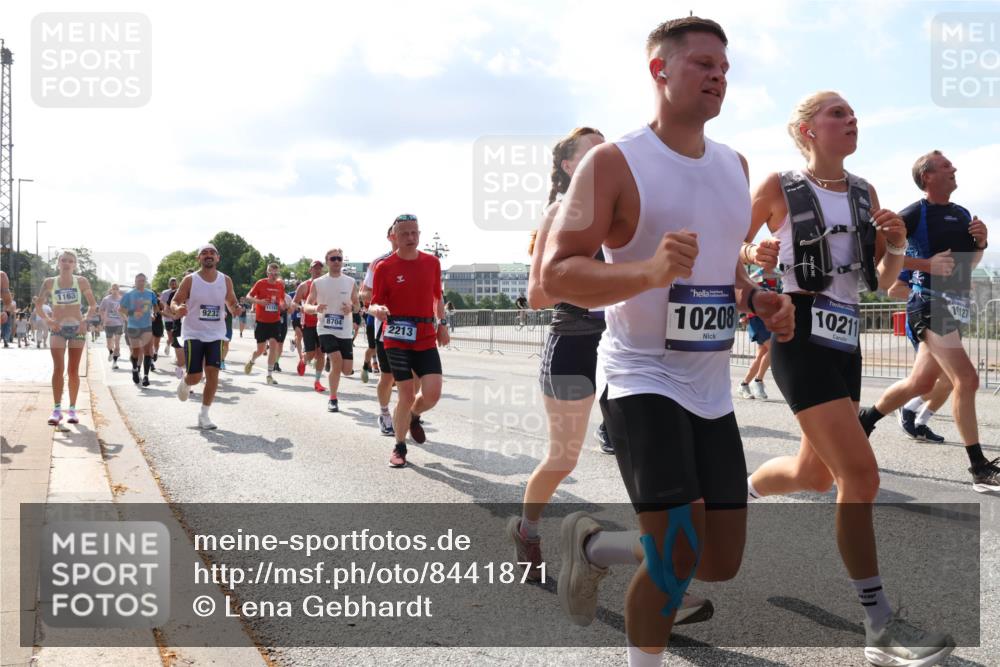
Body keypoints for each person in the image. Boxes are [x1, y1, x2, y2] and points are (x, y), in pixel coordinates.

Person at [539, 17, 797, 666]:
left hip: (709, 387)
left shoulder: (735, 164)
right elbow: (553, 274)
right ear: (660, 70)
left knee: (720, 558)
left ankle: (594, 545)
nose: (718, 76)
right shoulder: (615, 162)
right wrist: (646, 271)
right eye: (703, 64)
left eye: (725, 69)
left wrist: (756, 295)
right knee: (678, 551)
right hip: (639, 376)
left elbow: (724, 267)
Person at [744, 92, 955, 665]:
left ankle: (737, 497)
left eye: (854, 113)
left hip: (845, 337)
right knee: (860, 476)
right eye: (837, 113)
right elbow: (730, 251)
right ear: (807, 129)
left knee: (813, 474)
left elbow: (883, 281)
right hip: (796, 331)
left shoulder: (866, 194)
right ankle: (880, 626)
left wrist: (896, 246)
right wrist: (754, 252)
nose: (851, 119)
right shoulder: (777, 187)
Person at [858, 151, 995, 493]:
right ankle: (979, 467)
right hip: (930, 304)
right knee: (967, 378)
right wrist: (926, 266)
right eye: (947, 166)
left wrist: (981, 242)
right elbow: (879, 255)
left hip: (955, 305)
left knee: (921, 382)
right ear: (928, 176)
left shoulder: (961, 213)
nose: (954, 169)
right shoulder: (914, 213)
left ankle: (866, 420)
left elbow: (968, 263)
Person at [369, 214, 449, 467]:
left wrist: (443, 324)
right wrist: (378, 310)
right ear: (394, 236)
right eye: (405, 233)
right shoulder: (384, 267)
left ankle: (414, 415)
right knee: (405, 393)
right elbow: (372, 303)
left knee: (433, 394)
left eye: (415, 232)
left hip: (425, 337)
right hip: (396, 337)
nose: (411, 238)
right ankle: (399, 447)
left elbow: (437, 297)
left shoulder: (432, 263)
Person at [171, 244, 242, 429]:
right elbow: (175, 300)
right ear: (199, 258)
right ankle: (186, 382)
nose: (208, 256)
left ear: (218, 258)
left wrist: (235, 308)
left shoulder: (225, 280)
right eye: (204, 253)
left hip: (216, 334)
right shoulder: (190, 280)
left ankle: (204, 415)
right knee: (195, 376)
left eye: (212, 253)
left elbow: (231, 301)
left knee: (213, 374)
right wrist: (177, 308)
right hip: (193, 333)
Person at [35, 250, 98, 424]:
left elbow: (93, 305)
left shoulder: (82, 281)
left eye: (70, 261)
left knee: (73, 371)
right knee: (58, 369)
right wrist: (48, 321)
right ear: (58, 263)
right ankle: (56, 410)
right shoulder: (49, 282)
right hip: (58, 329)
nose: (67, 263)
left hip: (77, 329)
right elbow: (39, 306)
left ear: (75, 264)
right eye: (63, 260)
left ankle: (72, 409)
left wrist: (85, 320)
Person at [888, 271, 951, 443]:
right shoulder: (920, 257)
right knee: (944, 379)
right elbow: (893, 290)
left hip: (944, 323)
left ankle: (920, 422)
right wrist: (931, 297)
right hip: (922, 323)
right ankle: (906, 408)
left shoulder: (953, 261)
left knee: (949, 382)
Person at [360, 225, 403, 436]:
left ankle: (407, 415)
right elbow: (364, 292)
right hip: (386, 327)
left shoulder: (421, 260)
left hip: (415, 328)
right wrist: (377, 304)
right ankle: (385, 414)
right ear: (390, 236)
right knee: (388, 376)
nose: (406, 235)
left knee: (414, 377)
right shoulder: (379, 263)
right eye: (399, 231)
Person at [304, 248, 359, 413]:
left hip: (344, 329)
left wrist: (351, 307)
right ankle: (333, 399)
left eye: (339, 259)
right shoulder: (318, 282)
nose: (336, 262)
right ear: (327, 262)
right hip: (325, 328)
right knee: (336, 360)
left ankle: (335, 362)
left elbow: (357, 305)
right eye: (333, 259)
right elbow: (306, 306)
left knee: (347, 370)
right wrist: (315, 308)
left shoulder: (350, 282)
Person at [736, 269, 778, 400]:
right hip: (756, 318)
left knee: (760, 355)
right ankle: (758, 381)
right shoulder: (756, 274)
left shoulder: (776, 274)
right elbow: (744, 291)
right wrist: (743, 314)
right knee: (774, 349)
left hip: (768, 318)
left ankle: (744, 385)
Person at [244, 263, 286, 384]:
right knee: (260, 350)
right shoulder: (260, 283)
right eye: (270, 273)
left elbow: (282, 298)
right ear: (267, 273)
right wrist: (259, 301)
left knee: (274, 346)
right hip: (261, 321)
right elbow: (248, 296)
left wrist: (283, 304)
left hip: (275, 321)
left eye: (275, 274)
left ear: (278, 274)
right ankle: (251, 361)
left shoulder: (279, 285)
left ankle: (269, 375)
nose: (273, 276)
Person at [120, 273, 160, 387]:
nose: (141, 283)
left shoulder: (150, 293)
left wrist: (154, 313)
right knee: (136, 352)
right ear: (135, 281)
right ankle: (134, 369)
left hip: (147, 326)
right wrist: (133, 313)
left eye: (143, 280)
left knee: (147, 351)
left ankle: (146, 376)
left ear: (145, 281)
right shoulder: (129, 294)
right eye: (138, 281)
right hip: (133, 326)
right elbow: (121, 309)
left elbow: (155, 306)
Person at [294, 260, 327, 391]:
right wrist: (301, 308)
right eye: (315, 268)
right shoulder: (304, 285)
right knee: (311, 354)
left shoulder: (326, 285)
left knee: (321, 353)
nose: (317, 271)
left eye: (319, 268)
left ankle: (317, 382)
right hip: (308, 324)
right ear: (310, 270)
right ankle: (304, 359)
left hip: (323, 323)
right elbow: (294, 303)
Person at [99, 284, 125, 369]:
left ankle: (115, 362)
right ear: (111, 290)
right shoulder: (106, 299)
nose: (115, 291)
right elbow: (101, 310)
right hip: (108, 324)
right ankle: (110, 352)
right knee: (109, 344)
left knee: (117, 344)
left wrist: (126, 319)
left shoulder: (122, 299)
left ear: (119, 290)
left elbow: (125, 310)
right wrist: (104, 319)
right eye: (113, 289)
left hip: (119, 323)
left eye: (116, 289)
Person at [161, 277, 179, 355]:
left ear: (177, 284)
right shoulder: (165, 293)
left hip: (177, 318)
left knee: (177, 338)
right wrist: (168, 312)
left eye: (174, 283)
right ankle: (168, 344)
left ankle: (177, 355)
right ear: (169, 284)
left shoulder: (179, 291)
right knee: (171, 337)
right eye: (172, 284)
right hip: (168, 318)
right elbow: (163, 304)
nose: (173, 285)